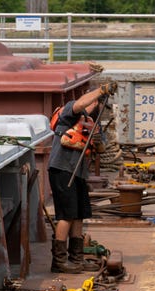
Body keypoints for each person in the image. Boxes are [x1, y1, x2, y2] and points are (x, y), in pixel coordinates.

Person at [48, 81, 117, 273]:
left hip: (78, 173)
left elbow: (101, 149)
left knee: (79, 214)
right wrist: (100, 90)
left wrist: (97, 142)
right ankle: (59, 261)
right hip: (62, 169)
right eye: (95, 101)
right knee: (66, 214)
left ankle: (76, 258)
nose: (97, 106)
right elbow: (79, 105)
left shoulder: (92, 124)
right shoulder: (71, 110)